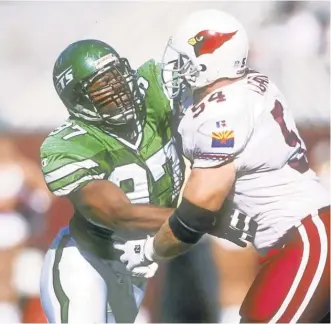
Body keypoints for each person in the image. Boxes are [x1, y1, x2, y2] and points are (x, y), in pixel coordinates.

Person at [115, 9, 330, 323]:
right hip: (295, 240)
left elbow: (198, 208)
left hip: (305, 238)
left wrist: (150, 251)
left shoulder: (223, 112)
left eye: (184, 60)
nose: (177, 69)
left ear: (211, 60)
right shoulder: (248, 86)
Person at [39, 39, 187, 323]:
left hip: (137, 264)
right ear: (79, 100)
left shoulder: (155, 89)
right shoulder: (70, 144)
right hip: (86, 260)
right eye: (102, 88)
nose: (118, 92)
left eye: (118, 78)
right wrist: (200, 218)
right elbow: (120, 215)